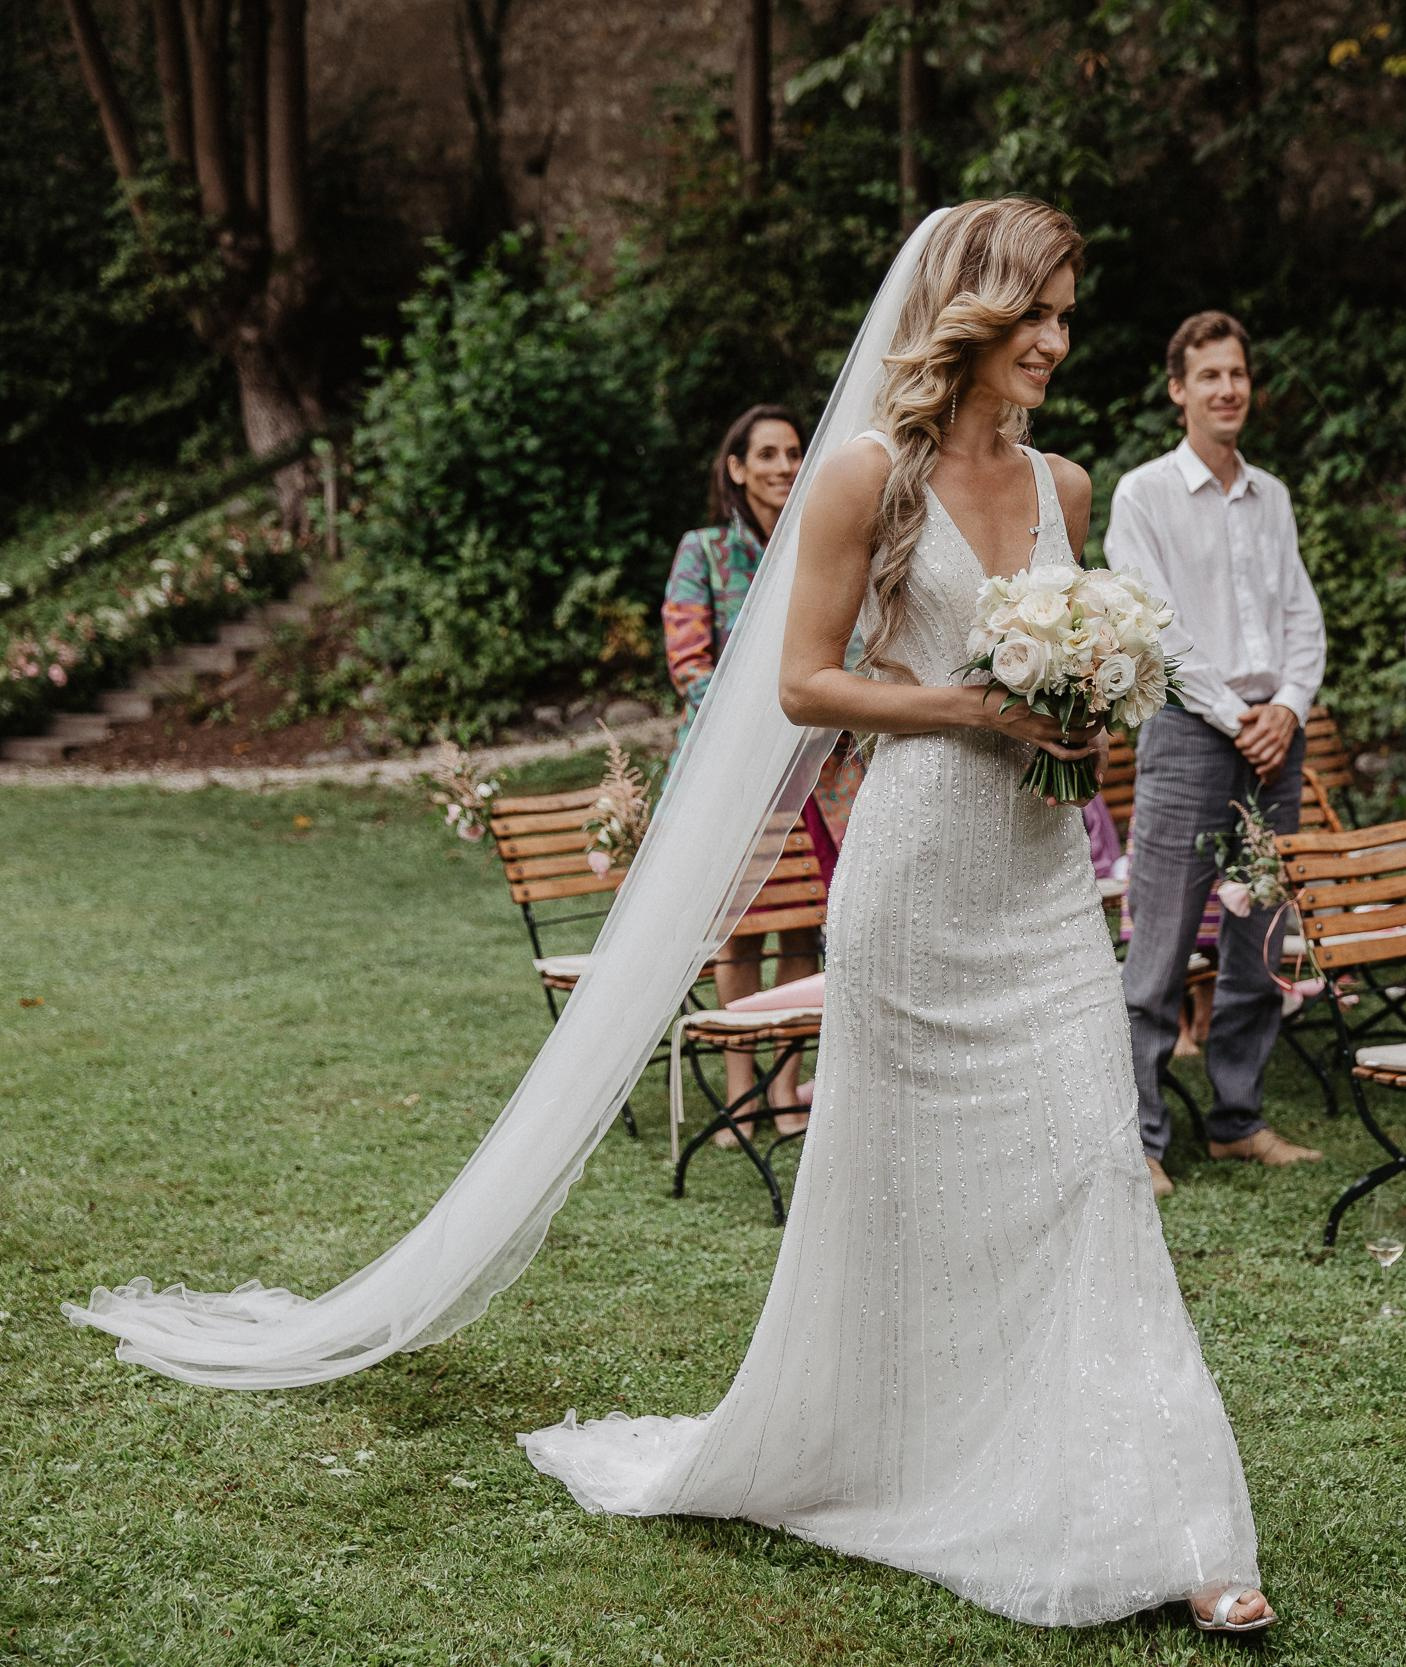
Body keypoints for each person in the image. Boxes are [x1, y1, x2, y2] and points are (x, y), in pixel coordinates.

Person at [69, 201, 1273, 1635]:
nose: (1060, 341)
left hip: (1039, 876)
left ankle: (1178, 1517)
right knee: (904, 1196)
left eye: (1070, 314)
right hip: (915, 876)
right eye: (1040, 313)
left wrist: (1082, 706)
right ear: (972, 310)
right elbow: (805, 682)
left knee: (1089, 1167)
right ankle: (926, 1452)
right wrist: (974, 704)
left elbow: (1063, 666)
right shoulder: (863, 474)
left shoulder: (1064, 484)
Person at [1109, 310, 1327, 1196]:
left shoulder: (1271, 495)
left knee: (1261, 931)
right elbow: (1153, 627)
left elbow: (1303, 617)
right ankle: (1140, 1138)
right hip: (1191, 731)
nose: (1228, 388)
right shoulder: (1143, 494)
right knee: (1159, 942)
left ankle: (1238, 1119)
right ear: (1179, 390)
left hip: (1276, 735)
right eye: (1210, 375)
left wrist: (1288, 707)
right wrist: (1240, 715)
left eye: (1237, 373)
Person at [663, 405, 827, 1140]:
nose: (784, 466)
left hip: (812, 775)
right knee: (740, 932)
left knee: (801, 927)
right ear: (736, 467)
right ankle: (739, 1092)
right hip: (731, 777)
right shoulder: (703, 552)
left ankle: (785, 1090)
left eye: (793, 452)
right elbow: (688, 663)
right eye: (767, 454)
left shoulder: (815, 540)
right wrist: (758, 728)